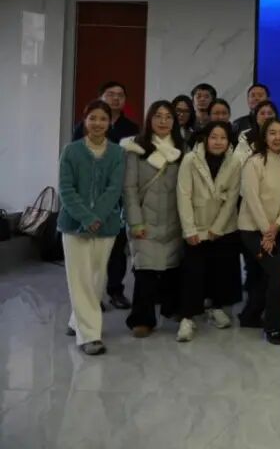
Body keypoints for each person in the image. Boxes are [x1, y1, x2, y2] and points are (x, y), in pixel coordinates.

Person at [58, 100, 126, 355]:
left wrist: (97, 217)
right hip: (73, 225)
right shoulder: (71, 151)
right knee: (79, 278)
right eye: (92, 118)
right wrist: (86, 217)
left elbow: (114, 189)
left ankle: (76, 321)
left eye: (103, 119)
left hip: (106, 225)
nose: (98, 123)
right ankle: (90, 335)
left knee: (97, 278)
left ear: (110, 123)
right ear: (84, 121)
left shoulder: (118, 153)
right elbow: (66, 189)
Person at [73, 80, 139, 311]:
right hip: (88, 197)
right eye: (111, 94)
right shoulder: (84, 127)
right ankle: (92, 294)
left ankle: (115, 291)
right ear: (100, 97)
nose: (116, 98)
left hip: (118, 197)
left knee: (116, 248)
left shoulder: (131, 129)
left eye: (120, 95)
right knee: (89, 249)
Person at [122, 101, 185, 338]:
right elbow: (129, 189)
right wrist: (135, 222)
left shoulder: (182, 149)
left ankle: (171, 308)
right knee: (145, 271)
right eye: (158, 116)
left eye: (168, 117)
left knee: (172, 268)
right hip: (145, 220)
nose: (163, 121)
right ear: (149, 119)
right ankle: (142, 319)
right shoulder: (136, 149)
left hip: (174, 219)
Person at [176, 121, 241, 342]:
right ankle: (187, 318)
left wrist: (218, 228)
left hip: (224, 228)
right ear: (205, 138)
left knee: (220, 271)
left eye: (223, 138)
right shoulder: (190, 160)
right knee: (192, 273)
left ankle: (216, 308)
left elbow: (232, 198)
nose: (218, 142)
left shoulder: (235, 162)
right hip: (196, 225)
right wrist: (189, 229)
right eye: (214, 137)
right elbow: (183, 195)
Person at [237, 118, 280, 345]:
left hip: (275, 229)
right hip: (252, 229)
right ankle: (274, 326)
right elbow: (251, 199)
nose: (277, 137)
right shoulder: (254, 162)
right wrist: (266, 232)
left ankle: (250, 316)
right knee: (279, 273)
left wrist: (277, 226)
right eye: (272, 133)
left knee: (266, 275)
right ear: (264, 136)